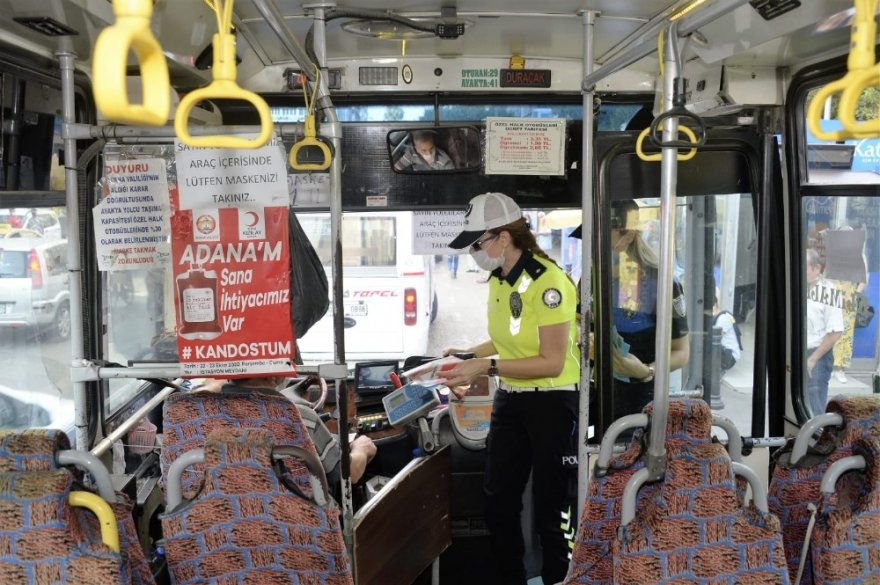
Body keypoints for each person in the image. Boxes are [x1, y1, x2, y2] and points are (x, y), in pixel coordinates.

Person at [441, 192, 579, 585]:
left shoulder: (548, 282)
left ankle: (560, 579)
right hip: (512, 401)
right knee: (498, 502)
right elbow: (510, 339)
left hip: (553, 402)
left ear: (504, 237)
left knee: (552, 511)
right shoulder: (501, 280)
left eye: (477, 242)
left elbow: (551, 361)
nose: (473, 252)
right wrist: (468, 353)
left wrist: (486, 365)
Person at [199, 376, 377, 485]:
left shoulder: (197, 417)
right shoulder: (298, 416)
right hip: (297, 530)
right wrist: (362, 447)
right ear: (278, 373)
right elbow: (349, 475)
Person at [605, 200, 690, 419]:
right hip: (599, 394)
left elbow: (681, 352)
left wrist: (646, 371)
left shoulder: (662, 282)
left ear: (629, 234)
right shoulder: (592, 277)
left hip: (643, 397)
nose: (597, 244)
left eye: (605, 235)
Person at [805, 249, 845, 416]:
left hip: (817, 356)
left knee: (814, 408)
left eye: (804, 267)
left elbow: (835, 332)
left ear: (817, 268)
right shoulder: (798, 288)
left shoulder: (829, 292)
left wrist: (812, 360)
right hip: (799, 353)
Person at [713, 293, 742, 375]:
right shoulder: (720, 316)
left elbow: (715, 337)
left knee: (710, 343)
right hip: (726, 354)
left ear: (715, 305)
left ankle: (718, 370)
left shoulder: (723, 318)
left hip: (729, 357)